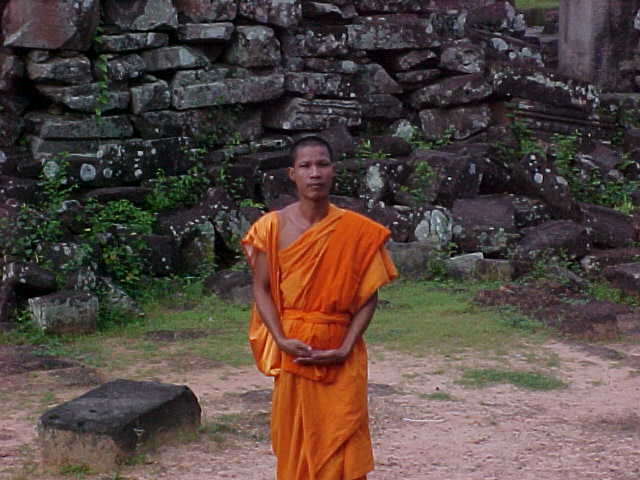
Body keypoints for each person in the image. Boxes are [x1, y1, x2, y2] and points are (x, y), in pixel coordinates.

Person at [242, 135, 397, 480]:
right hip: (295, 351)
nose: (315, 173)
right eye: (306, 166)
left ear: (333, 170)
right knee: (296, 442)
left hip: (341, 349)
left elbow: (368, 296)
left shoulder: (358, 232)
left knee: (344, 437)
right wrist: (280, 339)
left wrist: (344, 347)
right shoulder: (271, 227)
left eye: (322, 164)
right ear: (292, 174)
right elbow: (261, 287)